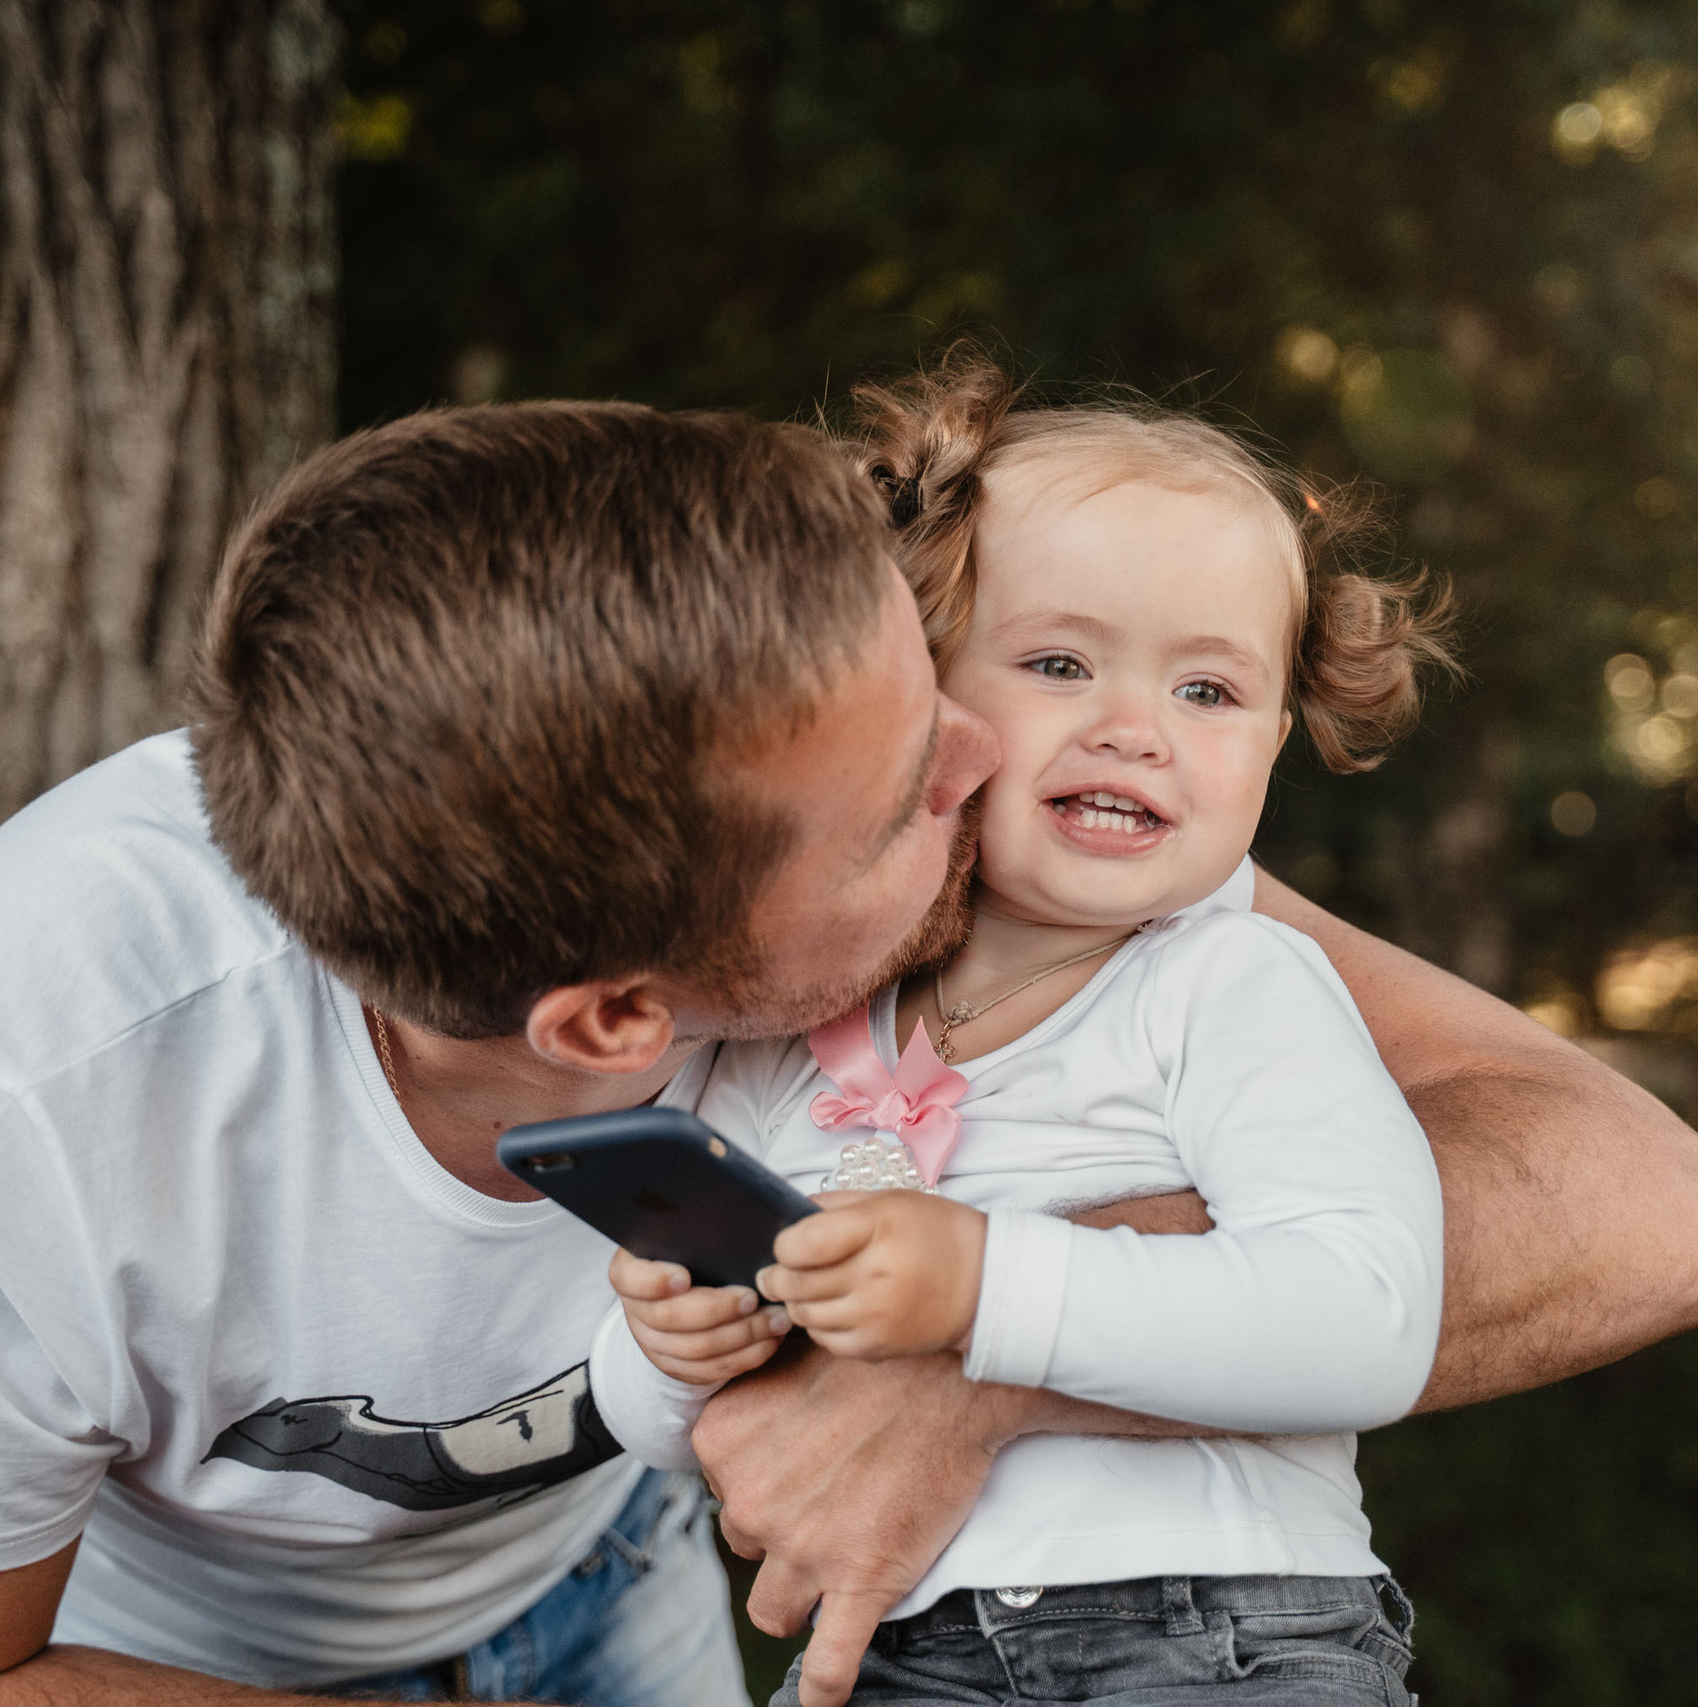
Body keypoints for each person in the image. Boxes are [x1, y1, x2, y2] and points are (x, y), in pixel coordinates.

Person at [0, 400, 1698, 1707]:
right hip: (161, 1664)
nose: (994, 768)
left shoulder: (838, 725)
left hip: (630, 1570)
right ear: (618, 1022)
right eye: (909, 796)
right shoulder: (18, 1083)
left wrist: (987, 1367)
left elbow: (1664, 1217)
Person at [606, 363, 1447, 1706]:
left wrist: (986, 1285)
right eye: (1060, 665)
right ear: (917, 693)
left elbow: (1371, 1317)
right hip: (895, 1656)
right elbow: (659, 1430)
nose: (1135, 730)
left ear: (1276, 745)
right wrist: (664, 1347)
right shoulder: (790, 1031)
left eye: (1208, 692)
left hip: (1216, 1636)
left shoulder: (1230, 985)